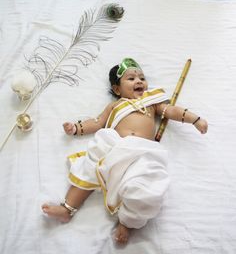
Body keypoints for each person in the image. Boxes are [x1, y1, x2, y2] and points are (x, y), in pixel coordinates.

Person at [42, 58, 208, 244]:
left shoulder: (152, 102)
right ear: (117, 89)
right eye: (131, 78)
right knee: (90, 166)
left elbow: (173, 111)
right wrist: (76, 127)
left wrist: (195, 119)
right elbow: (97, 123)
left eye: (142, 78)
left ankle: (126, 222)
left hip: (142, 153)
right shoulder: (115, 106)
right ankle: (67, 208)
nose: (138, 81)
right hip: (115, 146)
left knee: (143, 187)